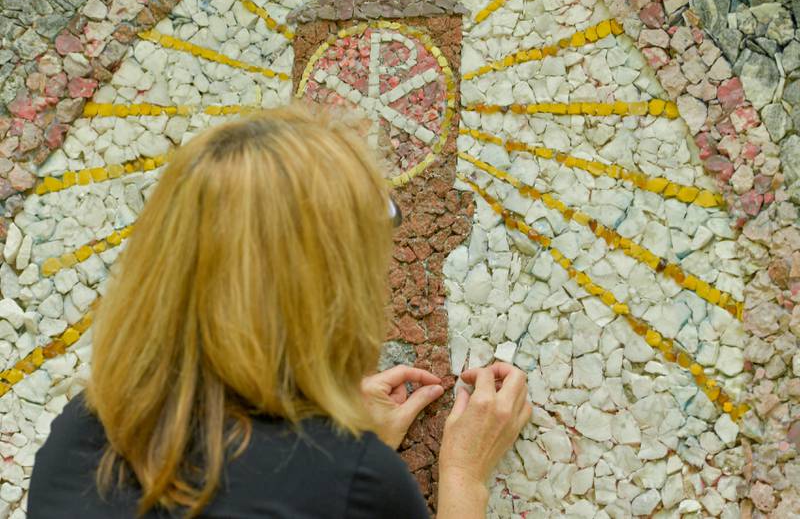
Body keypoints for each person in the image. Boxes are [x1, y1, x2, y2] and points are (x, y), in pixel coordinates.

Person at [28, 106, 532, 518]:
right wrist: (466, 478)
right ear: (325, 289)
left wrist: (323, 440)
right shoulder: (356, 485)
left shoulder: (79, 433)